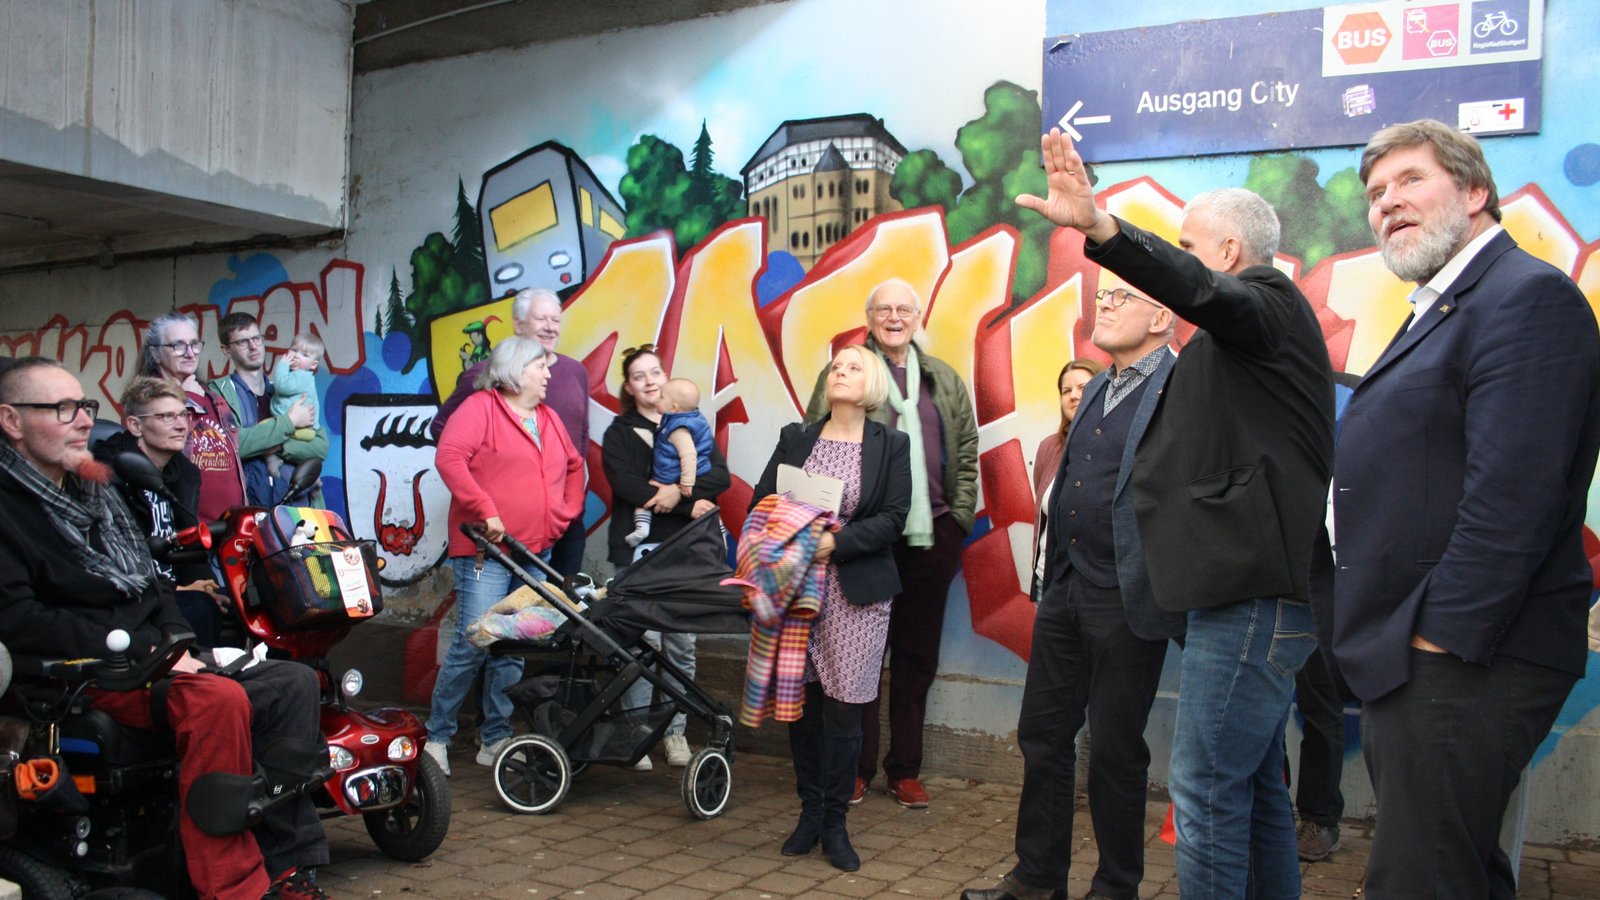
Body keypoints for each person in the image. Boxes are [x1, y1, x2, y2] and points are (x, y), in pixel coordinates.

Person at [1016, 132, 1335, 899]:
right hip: (1234, 596)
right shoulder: (1232, 352)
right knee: (1253, 790)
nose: (1183, 265)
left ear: (1226, 252)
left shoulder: (1270, 305)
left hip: (1254, 599)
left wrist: (1100, 228)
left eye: (1191, 248)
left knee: (1204, 791)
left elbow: (1197, 291)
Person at [1328, 119, 1600, 898]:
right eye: (1376, 193)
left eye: (1411, 180)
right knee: (1456, 868)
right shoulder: (1441, 307)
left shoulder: (1526, 297)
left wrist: (1440, 637)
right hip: (1426, 655)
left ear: (1475, 191)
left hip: (1466, 656)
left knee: (1421, 879)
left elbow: (1516, 495)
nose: (1387, 203)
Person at [0, 357, 329, 900]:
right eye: (62, 409)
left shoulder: (96, 491)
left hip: (147, 660)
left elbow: (152, 588)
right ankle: (231, 887)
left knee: (290, 683)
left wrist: (181, 646)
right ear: (12, 421)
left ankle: (288, 869)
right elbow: (18, 621)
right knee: (216, 702)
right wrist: (151, 650)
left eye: (83, 406)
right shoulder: (11, 510)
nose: (84, 420)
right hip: (84, 674)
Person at [964, 293, 1185, 900]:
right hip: (1064, 588)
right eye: (1104, 294)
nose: (1104, 303)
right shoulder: (1094, 389)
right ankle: (1038, 878)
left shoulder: (1182, 385)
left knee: (1115, 750)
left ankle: (1116, 886)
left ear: (1161, 316)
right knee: (1042, 735)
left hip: (1129, 595)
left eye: (1122, 297)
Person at [803, 279, 979, 809]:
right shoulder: (850, 370)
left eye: (904, 309)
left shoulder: (942, 379)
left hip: (933, 537)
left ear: (918, 315)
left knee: (915, 657)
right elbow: (818, 440)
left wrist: (960, 519)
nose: (895, 317)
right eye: (884, 309)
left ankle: (903, 770)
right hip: (865, 540)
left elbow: (966, 450)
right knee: (857, 659)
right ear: (870, 316)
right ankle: (855, 769)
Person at [750, 344, 911, 872]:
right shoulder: (797, 438)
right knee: (804, 707)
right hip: (796, 590)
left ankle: (837, 823)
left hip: (855, 593)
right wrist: (794, 531)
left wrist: (833, 545)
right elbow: (760, 500)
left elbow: (893, 518)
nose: (842, 372)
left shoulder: (892, 444)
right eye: (836, 366)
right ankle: (810, 813)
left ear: (874, 384)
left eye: (854, 366)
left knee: (846, 710)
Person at [423, 336, 584, 776]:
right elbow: (450, 457)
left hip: (535, 548)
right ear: (515, 370)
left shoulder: (548, 418)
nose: (549, 374)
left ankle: (495, 738)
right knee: (475, 641)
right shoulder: (481, 408)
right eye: (540, 366)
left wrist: (563, 514)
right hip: (485, 550)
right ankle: (437, 736)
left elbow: (574, 466)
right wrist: (486, 509)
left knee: (512, 646)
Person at [601, 344, 731, 769]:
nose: (651, 380)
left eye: (656, 372)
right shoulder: (620, 433)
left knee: (681, 645)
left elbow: (720, 475)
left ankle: (675, 733)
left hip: (686, 550)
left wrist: (679, 492)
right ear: (629, 387)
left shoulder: (692, 423)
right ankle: (637, 733)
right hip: (640, 548)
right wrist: (685, 502)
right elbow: (628, 485)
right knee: (642, 642)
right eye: (640, 376)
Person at [434, 289, 590, 578]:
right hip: (498, 532)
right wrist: (486, 493)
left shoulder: (574, 373)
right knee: (487, 621)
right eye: (541, 318)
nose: (550, 326)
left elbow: (578, 448)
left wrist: (567, 507)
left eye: (555, 319)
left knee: (548, 618)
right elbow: (446, 438)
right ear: (518, 325)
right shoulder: (483, 379)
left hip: (557, 524)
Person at [94, 376, 233, 648]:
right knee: (198, 607)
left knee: (238, 603)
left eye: (183, 415)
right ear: (135, 425)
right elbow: (119, 557)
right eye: (167, 417)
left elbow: (188, 537)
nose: (181, 425)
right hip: (137, 594)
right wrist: (180, 590)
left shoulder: (184, 474)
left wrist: (204, 583)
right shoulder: (109, 474)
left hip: (175, 588)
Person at [209, 312, 325, 508]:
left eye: (256, 338)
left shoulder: (284, 392)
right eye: (242, 342)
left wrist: (279, 447)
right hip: (248, 510)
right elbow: (231, 445)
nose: (253, 346)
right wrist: (288, 423)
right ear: (226, 350)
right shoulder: (218, 393)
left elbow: (320, 446)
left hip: (296, 506)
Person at [140, 311, 246, 521]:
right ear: (155, 352)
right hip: (188, 533)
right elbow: (161, 450)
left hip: (231, 532)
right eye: (178, 345)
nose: (190, 353)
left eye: (194, 344)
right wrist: (189, 399)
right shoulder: (146, 397)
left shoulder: (212, 397)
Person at [1029, 358, 1105, 601]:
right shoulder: (1048, 447)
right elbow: (1043, 510)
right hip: (1049, 583)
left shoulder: (1121, 445)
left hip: (1100, 588)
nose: (1073, 396)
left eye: (1083, 387)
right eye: (1066, 390)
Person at [625, 377, 713, 548]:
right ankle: (718, 528)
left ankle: (642, 528)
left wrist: (686, 483)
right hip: (683, 470)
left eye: (662, 397)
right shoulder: (691, 418)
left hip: (672, 474)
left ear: (673, 408)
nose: (657, 399)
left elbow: (688, 454)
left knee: (648, 495)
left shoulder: (677, 429)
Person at [265, 332, 325, 481]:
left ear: (313, 365)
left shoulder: (303, 376)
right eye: (294, 350)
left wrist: (282, 365)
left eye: (304, 355)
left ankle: (272, 458)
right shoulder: (298, 376)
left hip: (300, 428)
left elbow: (282, 385)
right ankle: (313, 478)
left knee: (265, 429)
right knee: (298, 451)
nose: (297, 356)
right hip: (303, 429)